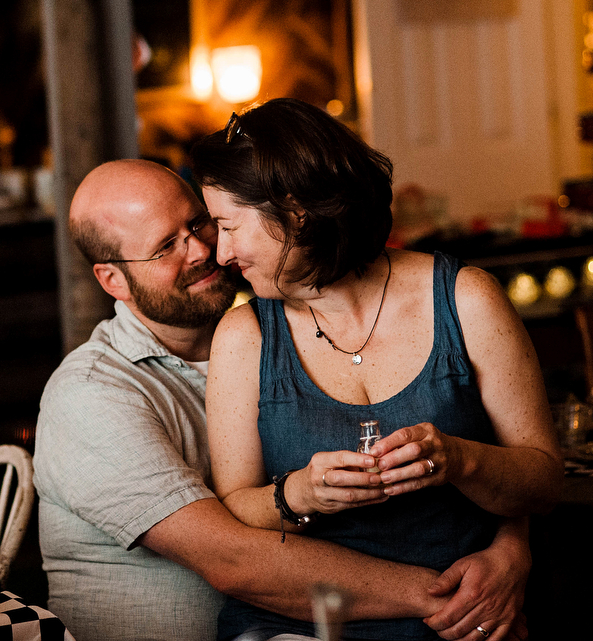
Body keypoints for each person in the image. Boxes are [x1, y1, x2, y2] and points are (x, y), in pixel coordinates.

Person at [33, 158, 533, 641]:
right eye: (165, 247)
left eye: (201, 223)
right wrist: (454, 600)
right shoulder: (90, 396)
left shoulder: (270, 331)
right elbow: (234, 562)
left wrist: (512, 549)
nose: (204, 250)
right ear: (112, 280)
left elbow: (494, 455)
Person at [188, 99, 564, 641]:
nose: (221, 253)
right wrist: (303, 494)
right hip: (301, 627)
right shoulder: (246, 336)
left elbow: (544, 483)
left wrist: (458, 459)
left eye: (228, 226)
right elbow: (238, 507)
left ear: (294, 211)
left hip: (465, 621)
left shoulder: (465, 299)